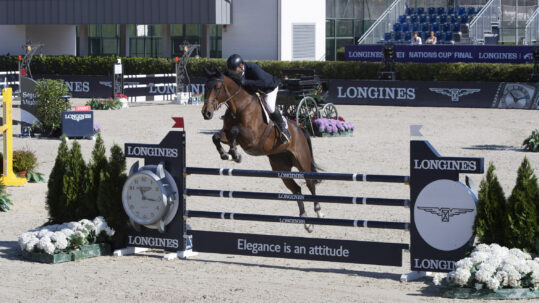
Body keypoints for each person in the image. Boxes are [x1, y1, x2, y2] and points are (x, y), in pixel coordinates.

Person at [226, 54, 291, 144]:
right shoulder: (237, 71)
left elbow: (263, 83)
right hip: (257, 90)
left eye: (234, 69)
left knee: (270, 106)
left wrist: (246, 82)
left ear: (241, 65)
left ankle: (283, 126)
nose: (233, 72)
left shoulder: (253, 68)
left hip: (269, 88)